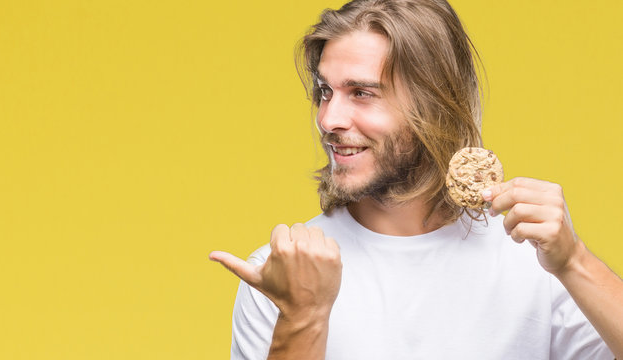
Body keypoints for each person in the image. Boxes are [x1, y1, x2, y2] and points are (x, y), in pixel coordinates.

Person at [209, 0, 623, 359]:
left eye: (362, 93)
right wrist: (303, 316)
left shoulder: (533, 262)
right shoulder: (283, 273)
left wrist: (574, 262)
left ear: (435, 104)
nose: (327, 119)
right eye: (324, 91)